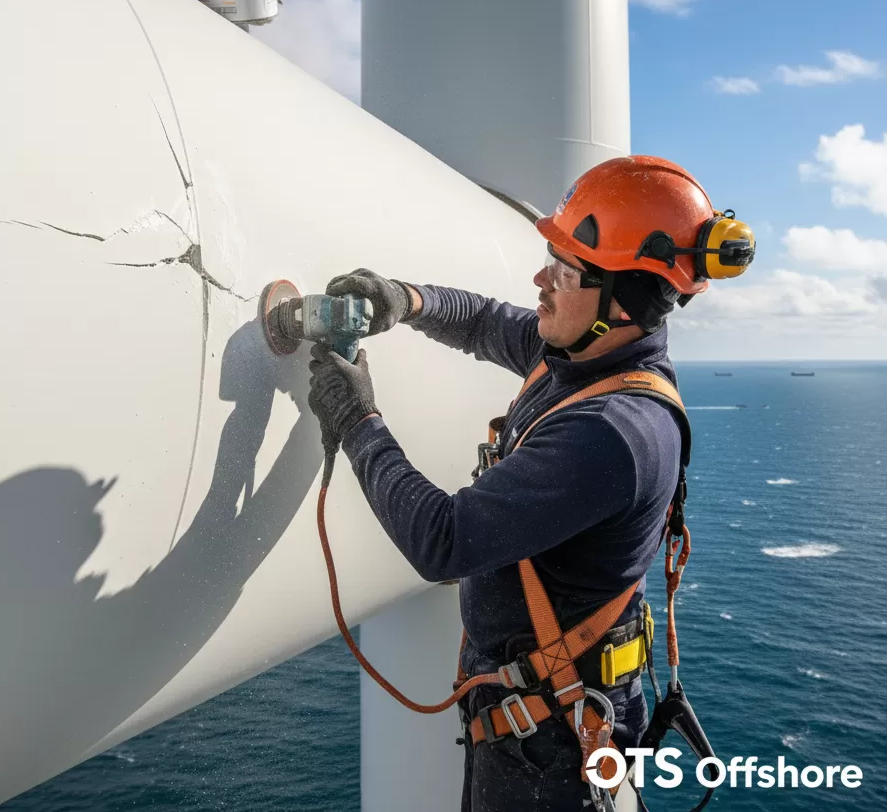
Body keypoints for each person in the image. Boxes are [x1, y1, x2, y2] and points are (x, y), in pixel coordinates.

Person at [307, 156, 755, 811]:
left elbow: (444, 542)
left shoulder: (613, 431)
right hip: (534, 720)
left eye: (565, 269)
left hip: (552, 750)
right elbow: (487, 322)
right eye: (552, 255)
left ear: (622, 304)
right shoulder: (577, 357)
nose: (541, 278)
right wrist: (403, 299)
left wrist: (356, 416)